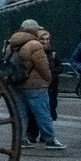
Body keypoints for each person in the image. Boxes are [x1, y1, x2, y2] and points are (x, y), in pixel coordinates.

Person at [9, 19, 64, 150]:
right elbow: (43, 67)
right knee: (43, 113)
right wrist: (48, 80)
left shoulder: (11, 44)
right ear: (33, 30)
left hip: (17, 83)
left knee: (21, 114)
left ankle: (21, 140)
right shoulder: (35, 44)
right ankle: (50, 140)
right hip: (35, 85)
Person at [25, 29, 61, 143]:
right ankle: (35, 134)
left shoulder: (53, 52)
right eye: (42, 39)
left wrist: (55, 71)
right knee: (37, 112)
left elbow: (58, 66)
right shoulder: (36, 50)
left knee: (48, 110)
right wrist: (48, 76)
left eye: (47, 39)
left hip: (51, 86)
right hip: (41, 84)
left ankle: (44, 135)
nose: (45, 42)